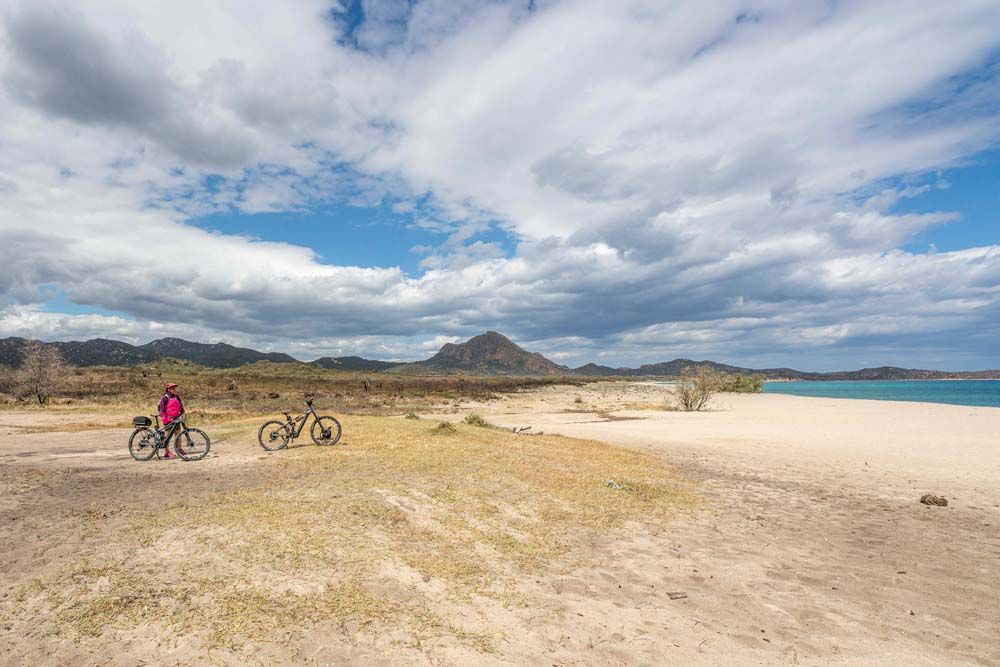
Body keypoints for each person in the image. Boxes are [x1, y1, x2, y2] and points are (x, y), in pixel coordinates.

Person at [157, 382, 185, 459]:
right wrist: (165, 419)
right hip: (168, 419)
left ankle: (179, 449)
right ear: (168, 389)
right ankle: (167, 452)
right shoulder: (165, 398)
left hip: (176, 418)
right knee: (167, 436)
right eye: (172, 388)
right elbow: (162, 410)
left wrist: (182, 413)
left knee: (178, 434)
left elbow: (180, 406)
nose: (174, 390)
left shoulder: (176, 397)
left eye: (175, 388)